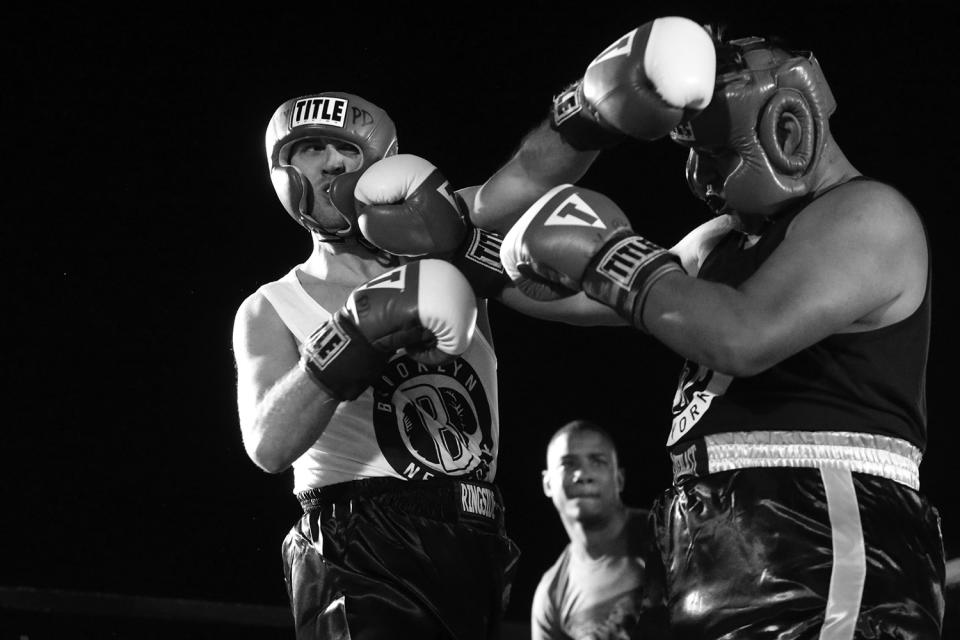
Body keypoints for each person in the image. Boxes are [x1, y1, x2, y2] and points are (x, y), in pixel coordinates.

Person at [474, 16, 946, 639]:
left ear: (786, 125)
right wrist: (582, 123)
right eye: (694, 149)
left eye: (718, 150)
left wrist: (609, 255)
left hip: (824, 538)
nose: (702, 173)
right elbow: (538, 282)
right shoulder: (720, 243)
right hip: (714, 539)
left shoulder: (867, 215)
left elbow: (740, 337)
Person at [232, 91, 622, 639]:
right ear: (283, 172)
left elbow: (530, 174)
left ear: (383, 159)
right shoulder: (271, 306)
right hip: (356, 543)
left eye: (346, 148)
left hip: (478, 529)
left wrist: (598, 105)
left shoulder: (440, 231)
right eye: (312, 149)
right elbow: (267, 444)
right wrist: (352, 334)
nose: (334, 163)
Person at [533, 419, 649, 640]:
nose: (583, 475)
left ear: (620, 479)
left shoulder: (668, 537)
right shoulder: (551, 593)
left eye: (597, 461)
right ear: (547, 483)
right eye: (568, 463)